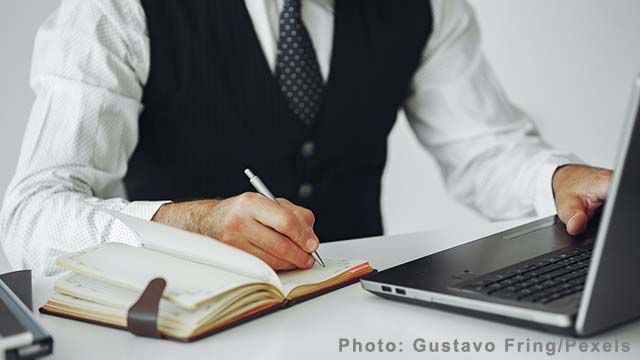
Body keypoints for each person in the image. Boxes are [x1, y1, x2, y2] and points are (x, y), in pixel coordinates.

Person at [0, 0, 611, 277]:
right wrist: (189, 224)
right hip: (183, 336)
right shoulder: (115, 11)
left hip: (362, 323)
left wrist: (559, 180)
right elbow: (28, 219)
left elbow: (486, 148)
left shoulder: (426, 8)